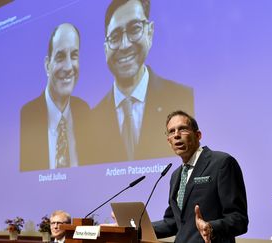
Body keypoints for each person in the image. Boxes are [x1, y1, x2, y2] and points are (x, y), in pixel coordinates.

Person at [90, 0, 194, 164]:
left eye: (134, 29)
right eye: (115, 37)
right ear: (105, 49)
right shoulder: (93, 118)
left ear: (150, 32)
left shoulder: (184, 96)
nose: (124, 45)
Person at [152, 110, 248, 243]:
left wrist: (211, 228)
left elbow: (239, 219)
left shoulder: (222, 163)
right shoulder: (175, 176)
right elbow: (173, 222)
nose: (177, 135)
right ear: (169, 141)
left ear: (198, 135)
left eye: (183, 129)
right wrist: (134, 228)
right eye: (172, 131)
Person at [20, 23, 91, 171]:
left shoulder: (85, 112)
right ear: (47, 66)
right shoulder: (27, 116)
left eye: (74, 56)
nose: (68, 67)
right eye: (60, 57)